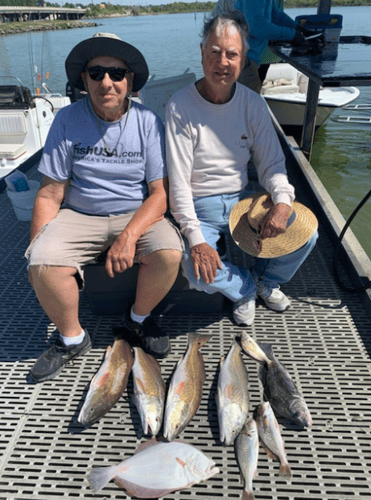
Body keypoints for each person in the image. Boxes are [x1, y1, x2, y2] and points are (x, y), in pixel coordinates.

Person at [26, 33, 184, 383]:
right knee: (41, 261)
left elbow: (159, 194)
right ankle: (72, 338)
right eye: (96, 73)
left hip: (135, 212)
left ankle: (138, 318)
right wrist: (36, 255)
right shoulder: (66, 120)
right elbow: (51, 194)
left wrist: (129, 235)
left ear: (130, 81)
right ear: (83, 80)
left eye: (117, 73)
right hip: (79, 214)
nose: (107, 82)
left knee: (170, 253)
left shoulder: (147, 122)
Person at [165, 11, 318, 327]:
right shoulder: (179, 105)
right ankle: (245, 288)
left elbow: (272, 164)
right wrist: (195, 238)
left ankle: (267, 280)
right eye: (215, 52)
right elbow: (177, 183)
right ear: (202, 53)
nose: (223, 62)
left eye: (232, 54)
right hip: (199, 207)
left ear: (244, 57)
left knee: (308, 234)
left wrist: (282, 202)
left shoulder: (253, 103)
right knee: (194, 270)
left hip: (243, 203)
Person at [214, 0, 312, 93]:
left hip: (244, 58)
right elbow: (256, 26)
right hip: (238, 60)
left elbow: (274, 14)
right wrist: (291, 35)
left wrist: (299, 29)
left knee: (245, 105)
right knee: (246, 107)